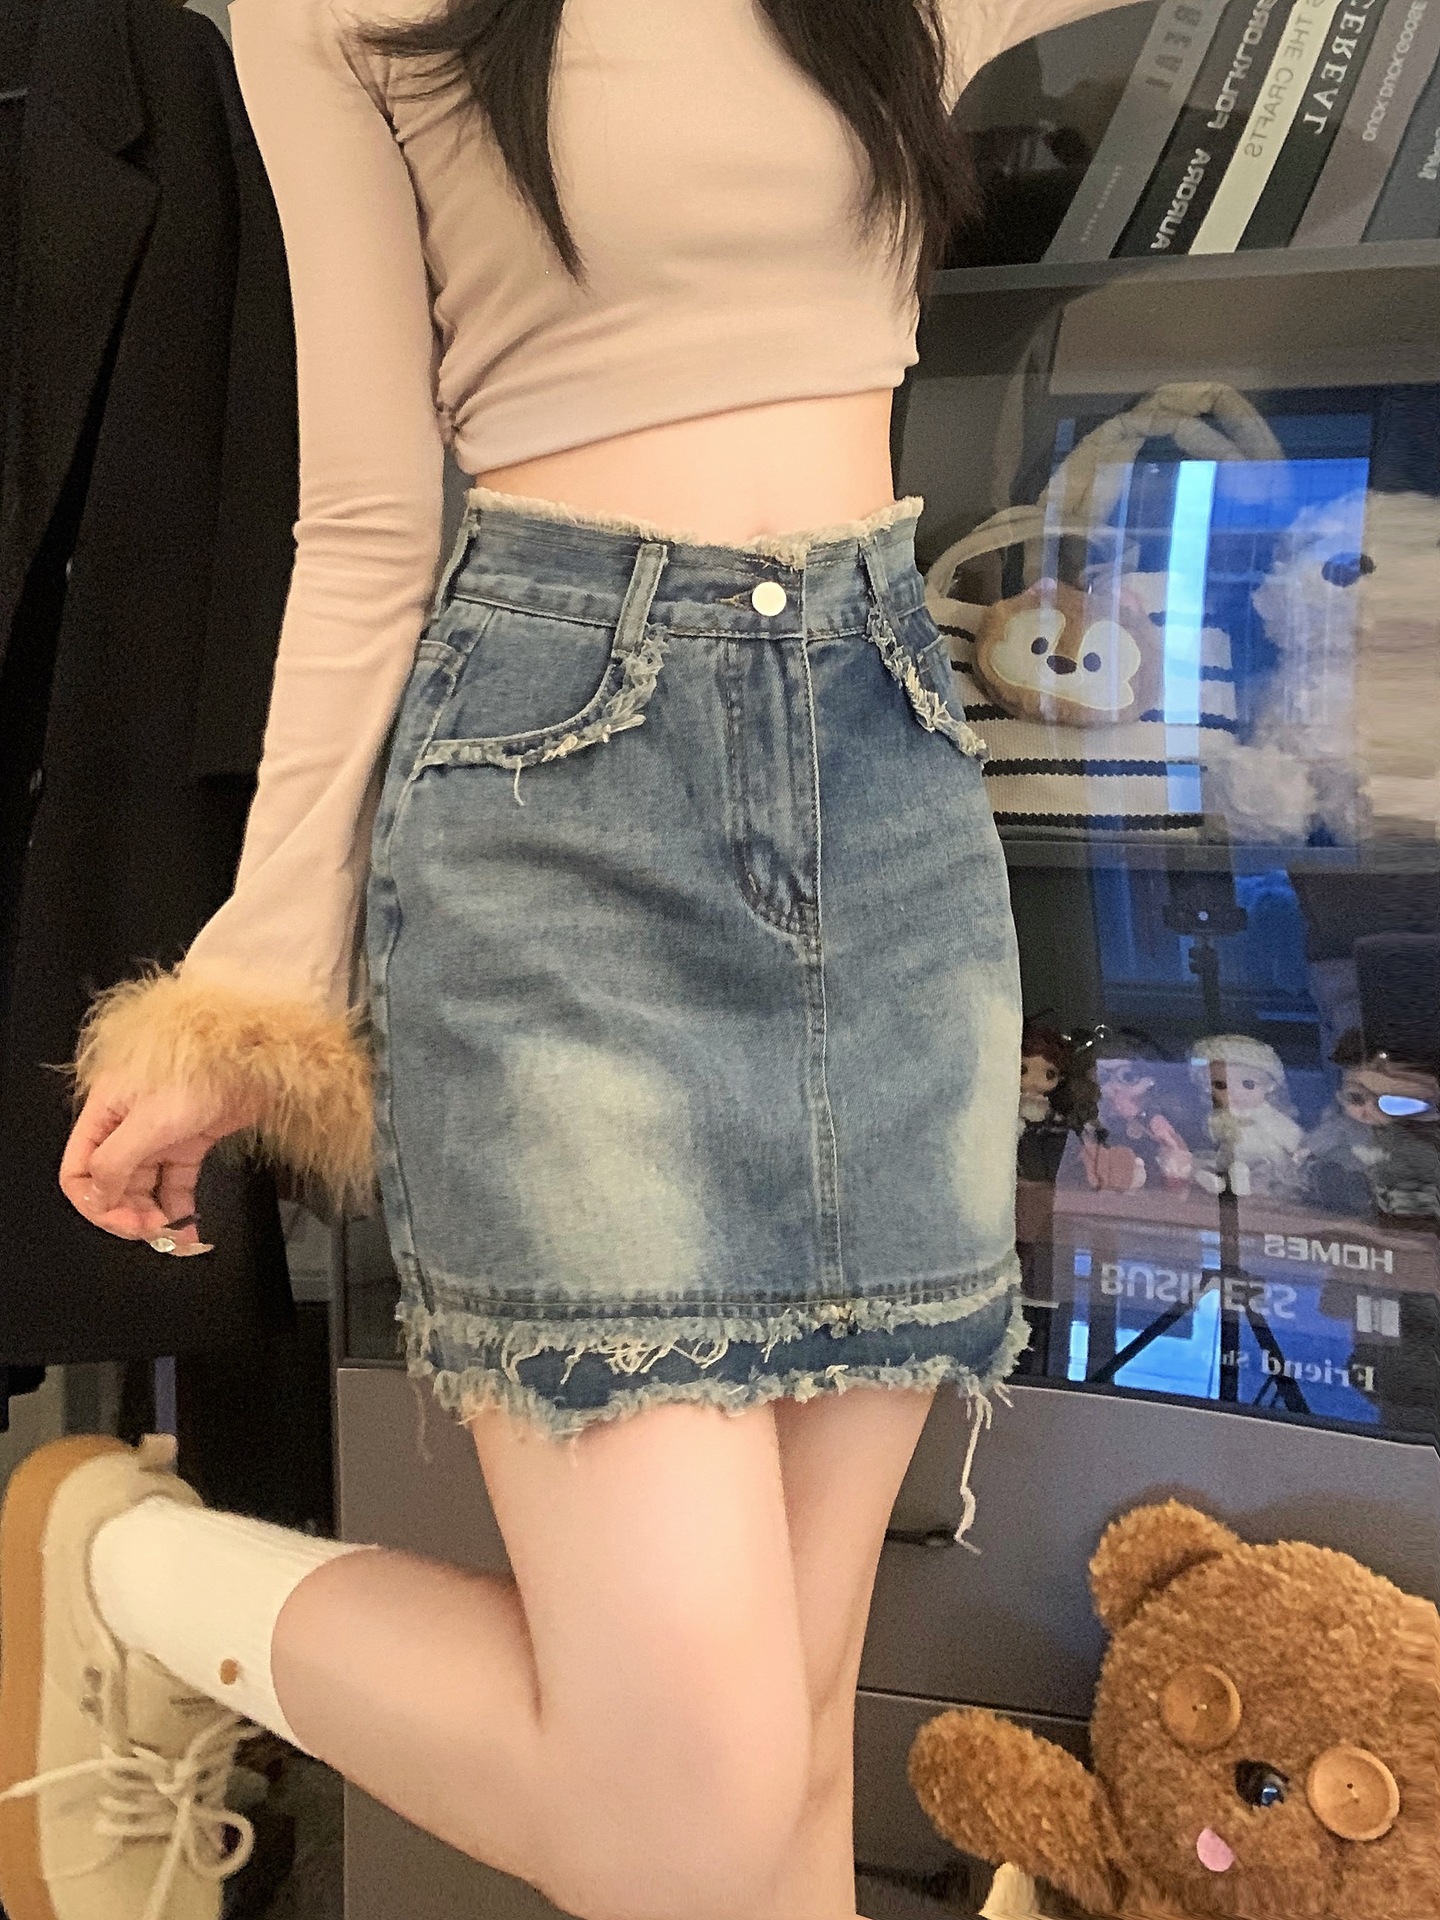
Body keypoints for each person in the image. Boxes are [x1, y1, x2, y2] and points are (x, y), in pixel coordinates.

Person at [0, 2, 1132, 1916]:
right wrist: (251, 979)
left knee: (781, 1781)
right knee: (696, 1809)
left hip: (889, 806)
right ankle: (134, 1575)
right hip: (557, 806)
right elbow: (367, 522)